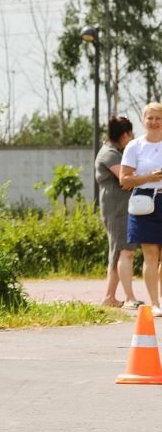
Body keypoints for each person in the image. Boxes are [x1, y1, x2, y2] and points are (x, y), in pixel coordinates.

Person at [96, 116, 143, 309]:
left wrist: (132, 179)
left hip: (122, 207)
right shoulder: (110, 154)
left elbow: (130, 178)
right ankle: (129, 297)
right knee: (124, 250)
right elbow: (126, 179)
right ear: (124, 134)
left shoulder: (117, 152)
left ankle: (110, 297)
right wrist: (131, 179)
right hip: (116, 208)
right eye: (130, 133)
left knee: (118, 251)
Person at [120, 102, 162, 317]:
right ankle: (154, 302)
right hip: (145, 201)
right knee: (151, 254)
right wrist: (149, 178)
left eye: (158, 118)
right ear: (144, 120)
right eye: (150, 118)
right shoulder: (135, 146)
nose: (154, 122)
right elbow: (124, 180)